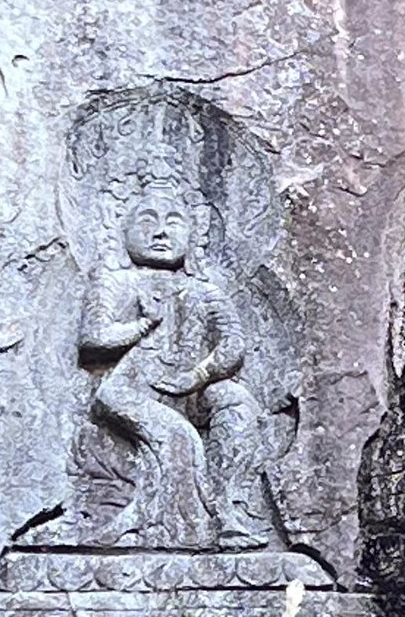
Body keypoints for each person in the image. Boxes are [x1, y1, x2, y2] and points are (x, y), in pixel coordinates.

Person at [80, 184, 272, 547]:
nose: (160, 232)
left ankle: (230, 509)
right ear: (122, 230)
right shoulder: (115, 282)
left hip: (188, 389)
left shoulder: (205, 291)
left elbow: (233, 344)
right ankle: (180, 527)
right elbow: (94, 338)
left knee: (238, 405)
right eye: (147, 221)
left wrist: (198, 376)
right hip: (130, 388)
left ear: (193, 235)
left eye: (173, 222)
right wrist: (143, 325)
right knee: (178, 434)